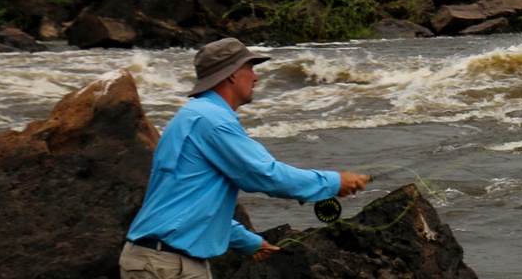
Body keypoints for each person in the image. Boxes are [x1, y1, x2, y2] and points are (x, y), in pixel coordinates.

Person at [119, 37, 372, 278]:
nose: (256, 77)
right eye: (250, 67)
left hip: (161, 259)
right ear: (231, 74)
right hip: (167, 264)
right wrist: (333, 182)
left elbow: (191, 202)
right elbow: (264, 175)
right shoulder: (211, 120)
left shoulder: (194, 116)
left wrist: (248, 242)